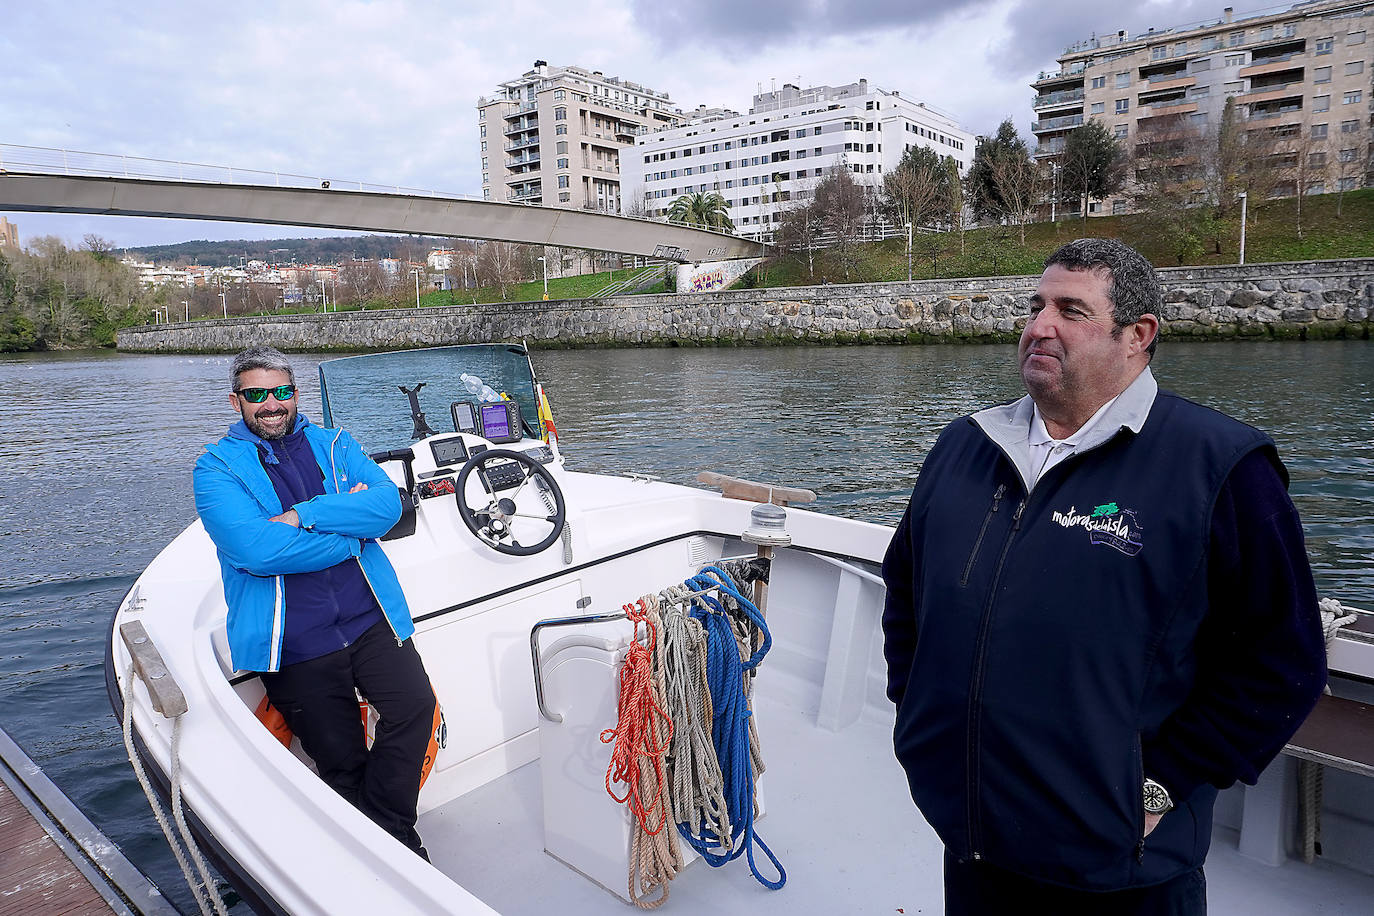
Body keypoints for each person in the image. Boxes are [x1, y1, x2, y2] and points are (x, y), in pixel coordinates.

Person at [881, 239, 1326, 914]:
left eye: (1070, 309)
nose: (1039, 326)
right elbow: (905, 596)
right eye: (1035, 306)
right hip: (972, 843)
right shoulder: (964, 447)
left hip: (1121, 870)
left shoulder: (1220, 467)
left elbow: (1282, 661)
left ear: (1137, 335)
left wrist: (1160, 786)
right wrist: (921, 722)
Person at [194, 345, 435, 860]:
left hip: (371, 619)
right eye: (256, 394)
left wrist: (307, 513)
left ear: (296, 394)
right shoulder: (215, 469)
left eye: (281, 391)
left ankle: (388, 834)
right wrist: (352, 536)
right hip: (295, 640)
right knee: (340, 760)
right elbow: (257, 551)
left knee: (414, 707)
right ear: (236, 401)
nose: (271, 404)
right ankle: (395, 854)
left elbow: (387, 505)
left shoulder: (336, 445)